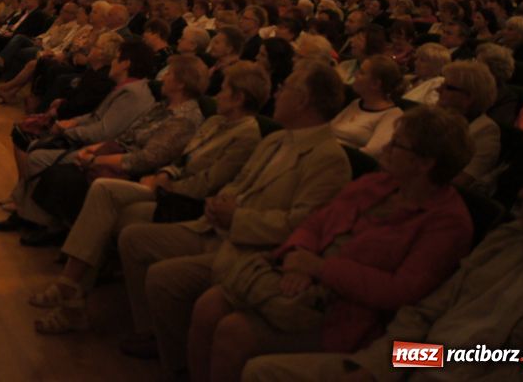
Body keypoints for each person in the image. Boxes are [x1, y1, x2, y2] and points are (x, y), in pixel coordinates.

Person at [189, 105, 475, 382]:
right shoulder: (378, 183)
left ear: (425, 163)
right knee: (210, 304)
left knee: (234, 332)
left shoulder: (448, 223)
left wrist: (320, 268)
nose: (386, 147)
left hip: (347, 314)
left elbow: (399, 291)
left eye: (397, 144)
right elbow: (316, 222)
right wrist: (299, 256)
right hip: (301, 280)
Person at [116, 61, 351, 374]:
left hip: (253, 251)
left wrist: (236, 217)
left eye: (285, 88)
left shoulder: (328, 159)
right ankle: (160, 341)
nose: (277, 94)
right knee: (136, 239)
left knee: (170, 280)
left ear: (303, 100)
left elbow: (301, 225)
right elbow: (239, 183)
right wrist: (221, 202)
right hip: (219, 230)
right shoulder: (276, 139)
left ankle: (177, 364)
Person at [242, 159, 523, 382]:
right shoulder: (510, 243)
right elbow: (424, 313)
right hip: (413, 361)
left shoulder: (448, 221)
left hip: (446, 370)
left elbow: (522, 364)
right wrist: (380, 367)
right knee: (261, 372)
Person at [27, 61, 268, 333]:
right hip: (162, 184)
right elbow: (183, 158)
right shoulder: (215, 122)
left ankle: (70, 293)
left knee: (107, 203)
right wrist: (165, 174)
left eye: (224, 90)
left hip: (183, 202)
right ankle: (70, 287)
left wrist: (166, 184)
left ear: (238, 98)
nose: (217, 95)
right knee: (103, 189)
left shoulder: (246, 135)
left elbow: (207, 183)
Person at [0, 39, 156, 239]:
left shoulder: (132, 95)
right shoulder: (127, 89)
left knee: (37, 156)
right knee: (35, 146)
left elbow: (104, 131)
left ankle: (38, 220)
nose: (112, 63)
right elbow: (95, 117)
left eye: (116, 58)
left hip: (99, 149)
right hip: (93, 141)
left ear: (126, 63)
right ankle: (24, 210)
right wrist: (72, 122)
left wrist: (67, 131)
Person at [436, 61, 502, 194]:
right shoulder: (438, 117)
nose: (438, 89)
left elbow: (460, 182)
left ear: (469, 98)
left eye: (447, 87)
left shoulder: (486, 131)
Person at [330, 55, 404, 156]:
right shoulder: (356, 103)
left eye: (361, 73)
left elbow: (372, 153)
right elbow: (329, 130)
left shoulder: (392, 115)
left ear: (375, 84)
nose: (355, 75)